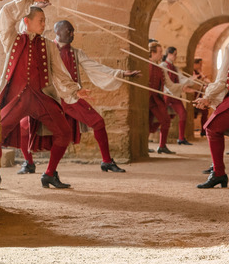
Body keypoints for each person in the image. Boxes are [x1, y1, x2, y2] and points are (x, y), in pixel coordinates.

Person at [17, 20, 140, 174]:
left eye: (72, 31)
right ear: (58, 31)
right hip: (49, 98)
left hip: (71, 98)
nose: (72, 34)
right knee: (24, 126)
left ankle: (107, 161)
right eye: (69, 31)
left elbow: (96, 67)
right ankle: (29, 163)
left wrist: (120, 74)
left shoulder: (76, 53)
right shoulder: (46, 48)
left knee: (98, 122)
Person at [0, 0, 88, 189]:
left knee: (64, 132)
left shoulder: (48, 46)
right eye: (40, 20)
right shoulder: (12, 39)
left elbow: (60, 73)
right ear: (27, 21)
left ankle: (49, 174)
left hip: (41, 98)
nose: (44, 24)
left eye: (45, 20)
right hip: (16, 99)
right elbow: (5, 14)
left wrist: (74, 91)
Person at [193, 11, 229, 189]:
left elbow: (223, 80)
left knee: (211, 127)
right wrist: (208, 97)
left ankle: (218, 172)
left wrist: (208, 97)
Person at [148, 41, 192, 154]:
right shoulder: (146, 65)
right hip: (147, 99)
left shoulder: (161, 68)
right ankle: (146, 144)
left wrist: (183, 88)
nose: (161, 55)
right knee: (149, 122)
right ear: (152, 53)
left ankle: (162, 146)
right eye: (159, 52)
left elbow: (170, 85)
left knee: (165, 120)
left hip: (157, 99)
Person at [161, 47, 192, 146]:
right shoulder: (163, 66)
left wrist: (192, 79)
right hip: (166, 94)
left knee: (183, 113)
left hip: (175, 94)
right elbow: (167, 84)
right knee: (163, 118)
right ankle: (162, 144)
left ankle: (181, 138)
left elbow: (181, 79)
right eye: (174, 54)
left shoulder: (175, 68)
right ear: (169, 54)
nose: (175, 56)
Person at [192, 58, 209, 137]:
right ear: (195, 64)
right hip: (193, 96)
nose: (201, 66)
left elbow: (207, 82)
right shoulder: (192, 72)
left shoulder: (199, 73)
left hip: (199, 96)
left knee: (204, 112)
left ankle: (203, 130)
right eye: (200, 64)